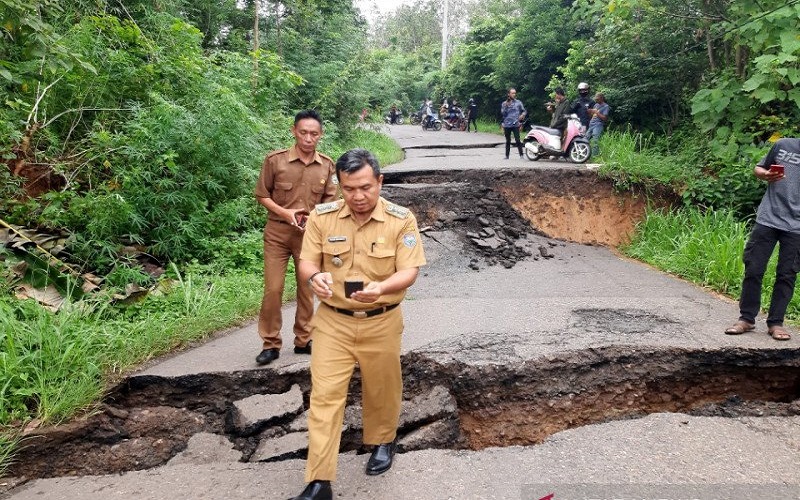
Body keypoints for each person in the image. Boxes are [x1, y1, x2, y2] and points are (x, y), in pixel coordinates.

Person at [289, 148, 426, 500]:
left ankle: (382, 441)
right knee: (324, 397)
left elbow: (409, 270)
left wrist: (382, 287)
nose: (358, 196)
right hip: (333, 321)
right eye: (349, 189)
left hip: (382, 320)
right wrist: (314, 278)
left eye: (366, 187)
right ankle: (319, 481)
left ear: (379, 181)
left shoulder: (401, 219)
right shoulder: (323, 217)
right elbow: (306, 262)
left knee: (382, 388)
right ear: (339, 185)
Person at [253, 109, 338, 366]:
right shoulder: (275, 161)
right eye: (303, 132)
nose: (308, 138)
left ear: (320, 135)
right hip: (278, 233)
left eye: (314, 134)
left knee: (307, 288)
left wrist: (316, 219)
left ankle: (304, 339)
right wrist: (285, 213)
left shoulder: (326, 164)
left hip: (310, 237)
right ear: (293, 131)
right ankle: (270, 343)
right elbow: (261, 195)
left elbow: (331, 201)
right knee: (273, 288)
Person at [724, 138, 800, 341]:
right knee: (754, 268)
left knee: (787, 275)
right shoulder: (783, 145)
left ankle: (776, 323)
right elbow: (758, 168)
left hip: (797, 227)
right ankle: (746, 319)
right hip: (768, 218)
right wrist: (766, 174)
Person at [500, 88, 526, 159]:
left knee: (517, 139)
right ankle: (507, 156)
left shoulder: (518, 102)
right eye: (512, 93)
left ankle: (521, 155)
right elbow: (503, 114)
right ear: (508, 94)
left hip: (516, 123)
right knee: (508, 140)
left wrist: (522, 115)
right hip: (507, 124)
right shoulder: (504, 103)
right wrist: (506, 106)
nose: (514, 94)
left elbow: (524, 111)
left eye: (515, 93)